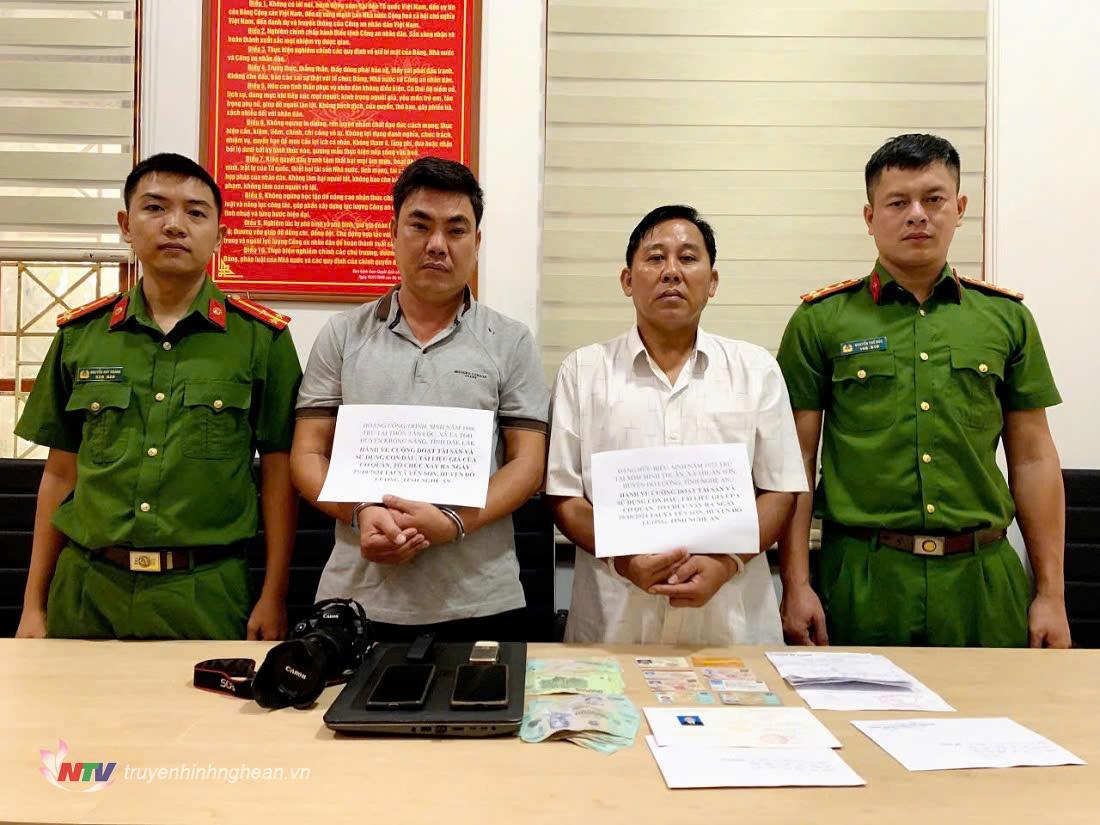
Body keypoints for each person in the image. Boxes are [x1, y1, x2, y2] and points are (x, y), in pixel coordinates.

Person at [777, 133, 1070, 648]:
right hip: (862, 578)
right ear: (870, 217)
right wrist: (796, 584)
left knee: (992, 703)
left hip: (981, 579)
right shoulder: (821, 320)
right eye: (898, 203)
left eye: (934, 199)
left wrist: (1051, 594)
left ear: (959, 208)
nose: (918, 215)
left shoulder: (1005, 319)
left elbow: (1033, 458)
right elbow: (794, 461)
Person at [14, 153, 302, 640]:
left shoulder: (261, 339)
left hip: (205, 592)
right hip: (86, 588)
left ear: (219, 235)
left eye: (195, 212)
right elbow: (59, 473)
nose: (174, 225)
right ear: (126, 225)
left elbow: (278, 476)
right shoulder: (81, 337)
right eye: (155, 208)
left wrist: (274, 595)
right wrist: (32, 605)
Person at [290, 156, 548, 641]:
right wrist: (361, 512)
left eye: (456, 230)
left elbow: (528, 464)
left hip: (480, 600)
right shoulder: (343, 335)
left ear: (477, 242)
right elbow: (307, 454)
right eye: (420, 225)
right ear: (393, 233)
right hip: (357, 599)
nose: (437, 245)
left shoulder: (511, 341)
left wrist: (452, 522)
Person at [545, 205, 807, 645]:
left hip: (731, 626)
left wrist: (725, 563)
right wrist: (626, 562)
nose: (672, 272)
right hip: (614, 626)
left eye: (687, 258)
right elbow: (564, 495)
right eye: (655, 258)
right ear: (627, 280)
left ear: (713, 281)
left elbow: (780, 490)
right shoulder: (583, 371)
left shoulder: (756, 369)